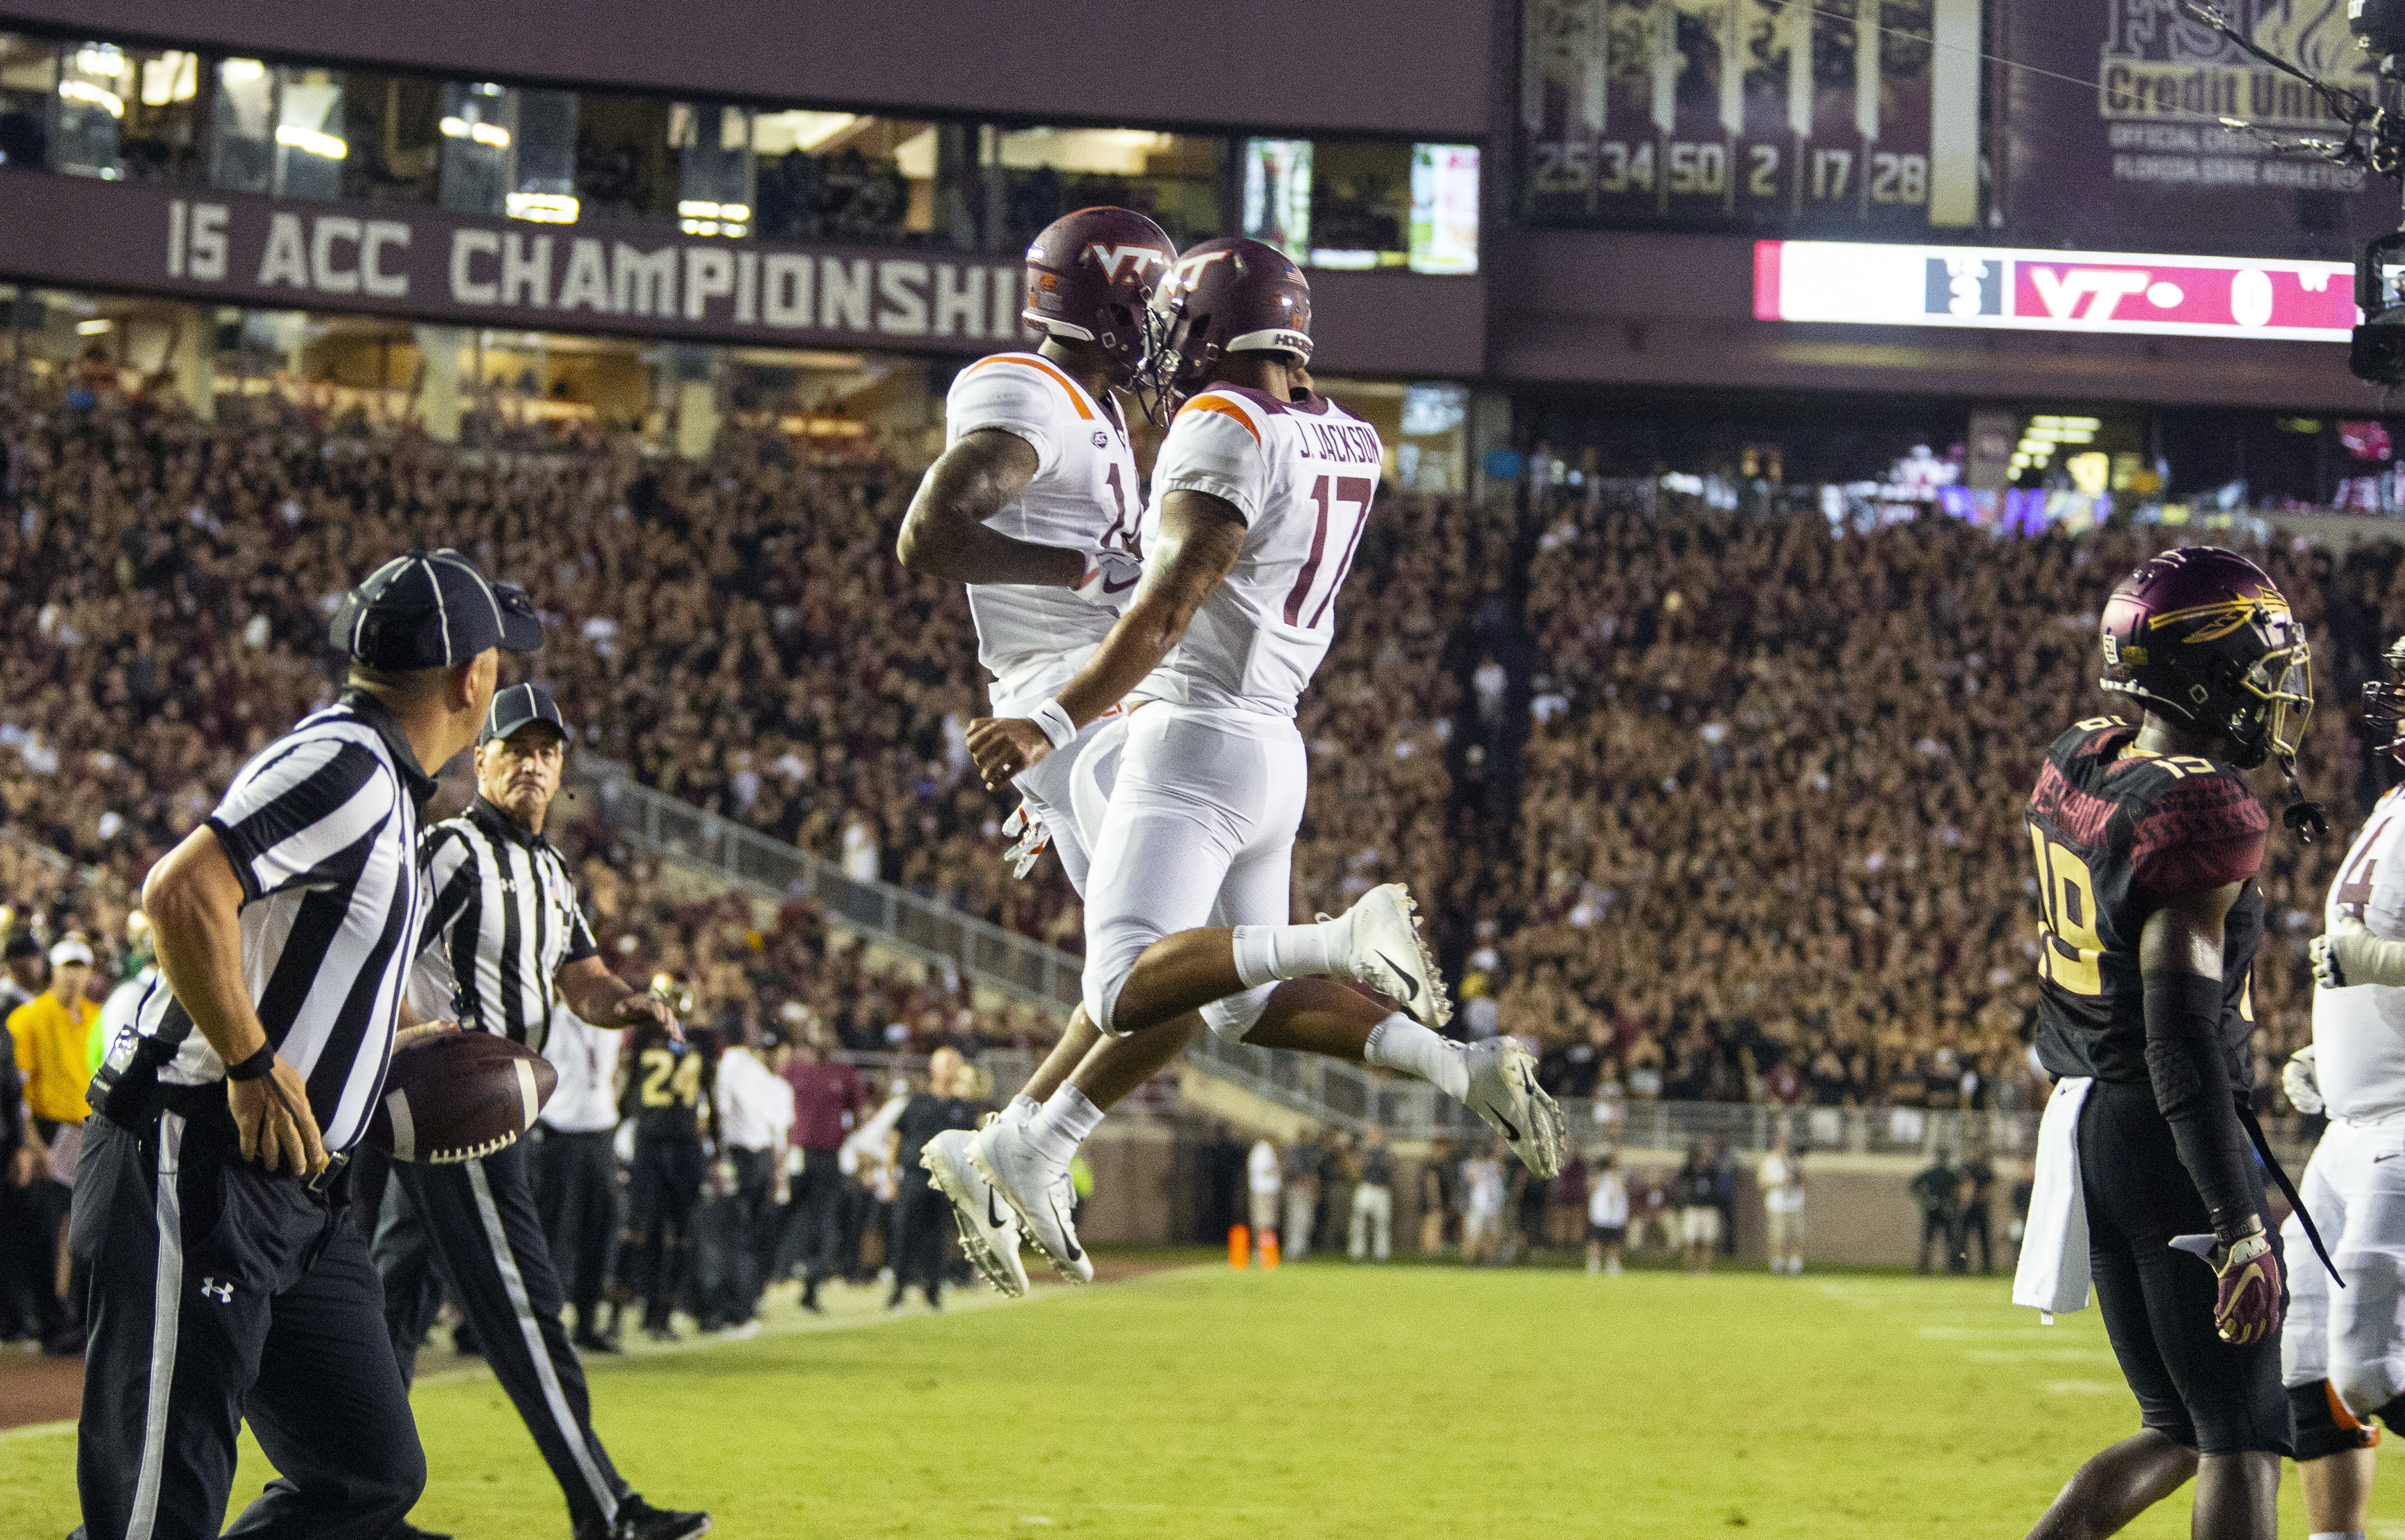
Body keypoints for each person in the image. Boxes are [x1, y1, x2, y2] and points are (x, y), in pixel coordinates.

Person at [961, 238, 1563, 1279]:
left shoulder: (1219, 422)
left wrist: (1049, 725)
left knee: (1117, 992)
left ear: (1203, 330)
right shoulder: (1349, 435)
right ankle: (1460, 1067)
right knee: (1236, 1004)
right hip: (1275, 744)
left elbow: (1167, 606)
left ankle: (1336, 939)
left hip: (1193, 734)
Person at [72, 547, 534, 1540]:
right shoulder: (348, 765)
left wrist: (385, 1031)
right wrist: (246, 1057)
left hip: (302, 1193)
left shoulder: (383, 782)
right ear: (474, 679)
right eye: (500, 656)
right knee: (154, 1513)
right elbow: (179, 890)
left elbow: (285, 946)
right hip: (195, 1154)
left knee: (367, 1477)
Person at [902, 206, 1213, 1299]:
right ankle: (1028, 1139)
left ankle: (1016, 1138)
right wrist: (1075, 577)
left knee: (1158, 981)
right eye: (1156, 307)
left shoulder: (1098, 407)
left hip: (1088, 712)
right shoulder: (1027, 392)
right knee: (1195, 962)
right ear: (1114, 304)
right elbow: (931, 531)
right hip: (1071, 709)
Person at [2018, 547, 2309, 1540]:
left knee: (2178, 1426)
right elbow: (2178, 1034)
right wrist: (2235, 1221)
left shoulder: (2083, 757)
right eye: (2255, 662)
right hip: (2166, 1122)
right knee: (2240, 1431)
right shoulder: (2201, 808)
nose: (2272, 687)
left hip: (2092, 1117)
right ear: (2202, 668)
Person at [380, 681, 706, 1540]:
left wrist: (628, 1004)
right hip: (453, 1107)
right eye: (513, 748)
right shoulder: (450, 851)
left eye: (546, 750)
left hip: (468, 1116)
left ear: (560, 769)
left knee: (390, 1311)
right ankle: (606, 1509)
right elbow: (377, 950)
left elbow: (582, 979)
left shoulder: (551, 873)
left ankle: (354, 1502)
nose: (531, 762)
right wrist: (413, 1033)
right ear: (476, 758)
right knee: (526, 1310)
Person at [2278, 631, 2405, 1540]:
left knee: (2365, 1365)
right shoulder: (2391, 805)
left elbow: (2367, 955)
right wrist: (2329, 1052)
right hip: (2349, 1124)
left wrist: (2373, 961)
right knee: (2304, 1351)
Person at [619, 976, 717, 1342]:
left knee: (648, 1230)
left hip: (653, 1140)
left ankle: (629, 1313)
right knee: (667, 1233)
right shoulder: (701, 1043)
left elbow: (625, 1095)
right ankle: (656, 1313)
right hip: (680, 1142)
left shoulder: (644, 1040)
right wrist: (717, 1148)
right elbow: (713, 1100)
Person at [12, 934, 98, 1353]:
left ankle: (77, 1316)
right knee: (46, 1230)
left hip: (89, 1131)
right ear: (54, 970)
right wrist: (31, 1142)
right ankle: (49, 1319)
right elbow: (19, 1088)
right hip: (47, 1130)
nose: (73, 976)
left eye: (80, 967)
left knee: (86, 1226)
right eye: (67, 966)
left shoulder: (96, 1016)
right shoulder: (29, 1019)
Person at [537, 995, 625, 1352]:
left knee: (599, 1231)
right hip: (560, 1133)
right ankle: (548, 1325)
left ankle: (586, 1324)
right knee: (554, 1232)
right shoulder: (550, 1020)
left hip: (602, 1132)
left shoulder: (609, 1025)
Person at [777, 1017, 870, 1311]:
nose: (821, 1037)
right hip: (796, 1153)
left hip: (828, 1155)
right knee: (786, 1216)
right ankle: (776, 1274)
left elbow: (861, 1112)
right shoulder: (793, 1069)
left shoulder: (844, 1073)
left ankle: (811, 1286)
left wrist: (850, 1140)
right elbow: (776, 1105)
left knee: (824, 1222)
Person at [709, 1020, 793, 1334]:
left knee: (739, 1236)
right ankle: (740, 1308)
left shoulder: (742, 1068)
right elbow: (776, 1135)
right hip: (753, 1159)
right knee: (745, 1237)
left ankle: (737, 1309)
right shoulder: (762, 1078)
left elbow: (723, 1111)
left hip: (747, 1158)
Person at [888, 1048, 978, 1308]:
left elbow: (970, 1147)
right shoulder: (917, 1102)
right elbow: (896, 1137)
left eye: (955, 1063)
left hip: (947, 1181)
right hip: (916, 1176)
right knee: (904, 1232)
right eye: (947, 1063)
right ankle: (898, 1289)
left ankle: (933, 1291)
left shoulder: (963, 1107)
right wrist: (890, 1175)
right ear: (933, 1068)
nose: (952, 1068)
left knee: (938, 1236)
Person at [1760, 1130, 1806, 1276]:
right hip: (1777, 1204)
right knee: (1778, 1237)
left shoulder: (1795, 1160)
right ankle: (1777, 1266)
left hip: (1795, 1203)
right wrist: (1780, 1183)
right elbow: (1762, 1182)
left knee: (1797, 1236)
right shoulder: (1770, 1160)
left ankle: (1795, 1268)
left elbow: (1803, 1180)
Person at [1913, 1150, 1963, 1276]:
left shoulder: (1949, 1174)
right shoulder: (1930, 1173)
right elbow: (1915, 1186)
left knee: (1949, 1240)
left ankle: (1952, 1267)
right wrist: (1925, 1200)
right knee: (1929, 1240)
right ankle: (1925, 1267)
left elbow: (1958, 1189)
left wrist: (1953, 1203)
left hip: (1945, 1210)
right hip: (1933, 1210)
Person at [1349, 1125, 1394, 1263]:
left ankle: (1382, 1253)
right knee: (1358, 1221)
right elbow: (1356, 1168)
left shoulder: (1386, 1151)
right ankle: (1357, 1252)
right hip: (1366, 1187)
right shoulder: (1364, 1151)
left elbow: (1392, 1166)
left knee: (1382, 1222)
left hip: (1382, 1189)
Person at [1676, 1142, 1721, 1274]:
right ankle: (1689, 1271)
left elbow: (1717, 1186)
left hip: (1709, 1209)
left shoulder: (1712, 1171)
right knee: (1689, 1242)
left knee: (1708, 1242)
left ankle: (1705, 1272)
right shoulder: (1688, 1170)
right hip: (1692, 1209)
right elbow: (1681, 1182)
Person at [1461, 1144, 1506, 1265]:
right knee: (1472, 1235)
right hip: (1477, 1206)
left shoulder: (1495, 1164)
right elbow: (1468, 1176)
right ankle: (1468, 1260)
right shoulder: (1472, 1164)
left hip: (1493, 1207)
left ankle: (1490, 1260)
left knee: (1492, 1235)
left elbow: (1500, 1173)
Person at [1282, 1130, 1322, 1262]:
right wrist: (1302, 1181)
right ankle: (1294, 1252)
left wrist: (1315, 1190)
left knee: (1307, 1222)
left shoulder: (1311, 1153)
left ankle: (1303, 1250)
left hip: (1307, 1190)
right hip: (1297, 1190)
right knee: (1296, 1221)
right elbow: (1290, 1172)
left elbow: (1315, 1173)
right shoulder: (1295, 1152)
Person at [1586, 1151, 1628, 1276]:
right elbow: (1591, 1188)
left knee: (1614, 1242)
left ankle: (1612, 1264)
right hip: (1600, 1214)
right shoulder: (1598, 1177)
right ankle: (1594, 1265)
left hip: (1615, 1215)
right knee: (1595, 1241)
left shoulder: (1620, 1177)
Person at [1960, 1144, 1996, 1276]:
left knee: (1984, 1238)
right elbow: (1961, 1186)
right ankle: (1961, 1266)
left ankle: (1987, 1267)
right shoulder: (1964, 1169)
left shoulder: (1983, 1170)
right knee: (1961, 1239)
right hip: (1968, 1207)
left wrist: (1984, 1193)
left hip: (1980, 1208)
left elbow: (1992, 1183)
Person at [1246, 1134, 1282, 1261]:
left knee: (1265, 1222)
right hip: (1264, 1191)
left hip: (1265, 1191)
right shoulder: (1263, 1150)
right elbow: (1266, 1170)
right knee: (1264, 1222)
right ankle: (1264, 1252)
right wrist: (1279, 1169)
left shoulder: (1263, 1149)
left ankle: (1264, 1251)